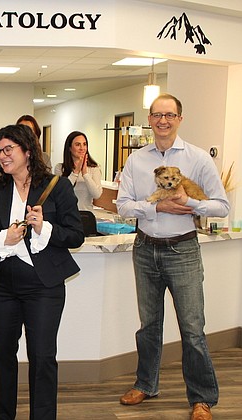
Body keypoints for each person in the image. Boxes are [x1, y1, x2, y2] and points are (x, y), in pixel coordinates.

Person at [116, 94, 229, 420]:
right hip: (145, 248)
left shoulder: (197, 158)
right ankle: (146, 384)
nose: (163, 120)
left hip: (183, 251)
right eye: (157, 115)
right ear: (149, 120)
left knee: (192, 329)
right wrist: (156, 206)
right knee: (148, 326)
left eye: (169, 115)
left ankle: (202, 398)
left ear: (179, 118)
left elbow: (222, 206)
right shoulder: (136, 160)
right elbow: (123, 206)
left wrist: (191, 204)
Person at [0, 124, 84, 420]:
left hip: (43, 286)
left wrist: (44, 228)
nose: (1, 156)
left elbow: (76, 235)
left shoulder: (57, 185)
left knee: (42, 358)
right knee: (2, 354)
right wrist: (4, 239)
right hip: (2, 285)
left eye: (8, 149)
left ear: (27, 151)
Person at [54, 131, 103, 211]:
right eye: (77, 145)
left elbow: (96, 194)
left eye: (84, 144)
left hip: (86, 215)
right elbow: (62, 192)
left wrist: (85, 174)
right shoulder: (60, 168)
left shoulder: (94, 168)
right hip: (65, 215)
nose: (82, 148)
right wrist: (76, 172)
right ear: (69, 148)